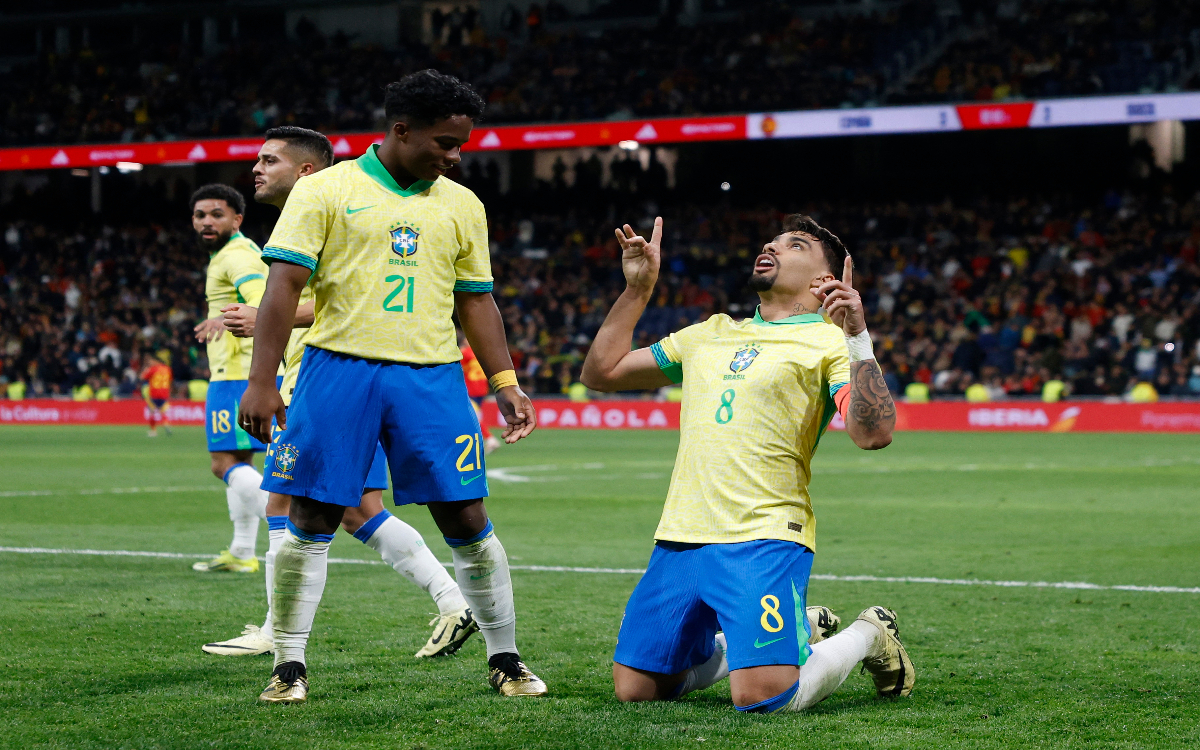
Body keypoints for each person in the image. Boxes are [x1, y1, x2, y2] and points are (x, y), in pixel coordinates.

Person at [238, 70, 542, 704]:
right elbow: (283, 290)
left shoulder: (463, 204)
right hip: (336, 370)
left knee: (467, 514)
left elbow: (477, 301)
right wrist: (260, 381)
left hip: (430, 378)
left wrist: (505, 380)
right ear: (400, 130)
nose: (454, 156)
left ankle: (505, 658)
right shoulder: (327, 189)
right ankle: (289, 664)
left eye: (460, 144)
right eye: (444, 142)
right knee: (312, 516)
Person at [581, 214, 913, 714]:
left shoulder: (830, 343)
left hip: (764, 532)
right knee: (637, 690)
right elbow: (602, 373)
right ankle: (785, 632)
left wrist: (858, 336)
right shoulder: (709, 333)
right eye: (771, 241)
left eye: (794, 244)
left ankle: (869, 633)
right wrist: (638, 289)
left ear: (826, 281)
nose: (772, 247)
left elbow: (874, 434)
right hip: (682, 534)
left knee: (763, 698)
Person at [203, 126, 478, 660]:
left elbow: (345, 300)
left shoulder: (334, 207)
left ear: (306, 172)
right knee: (349, 508)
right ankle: (452, 602)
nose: (256, 169)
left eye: (269, 161)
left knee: (293, 498)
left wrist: (265, 323)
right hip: (336, 375)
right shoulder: (316, 210)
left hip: (333, 378)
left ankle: (278, 637)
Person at [189, 184, 270, 574]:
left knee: (222, 463)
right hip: (246, 371)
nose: (206, 221)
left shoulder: (235, 256)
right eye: (200, 215)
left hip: (237, 376)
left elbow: (262, 294)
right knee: (241, 458)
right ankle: (241, 553)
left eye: (216, 214)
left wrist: (226, 316)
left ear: (237, 218)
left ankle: (289, 525)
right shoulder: (236, 252)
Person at [459, 331, 502, 455]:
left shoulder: (465, 352)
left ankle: (490, 439)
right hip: (482, 389)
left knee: (473, 416)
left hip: (470, 389)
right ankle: (478, 440)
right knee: (471, 415)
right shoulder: (481, 352)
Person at [140, 350, 173, 437]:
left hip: (154, 393)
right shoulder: (167, 369)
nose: (150, 362)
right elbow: (170, 380)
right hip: (164, 393)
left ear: (155, 361)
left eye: (151, 361)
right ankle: (166, 424)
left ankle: (153, 431)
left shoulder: (153, 369)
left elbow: (142, 377)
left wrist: (146, 369)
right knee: (163, 411)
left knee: (152, 411)